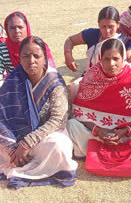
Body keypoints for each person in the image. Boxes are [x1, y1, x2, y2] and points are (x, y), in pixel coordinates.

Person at [0, 36, 78, 189]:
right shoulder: (13, 81)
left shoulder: (54, 81)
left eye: (37, 56)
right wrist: (12, 147)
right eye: (26, 56)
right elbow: (2, 117)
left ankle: (31, 162)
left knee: (60, 145)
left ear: (45, 58)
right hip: (14, 139)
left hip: (44, 138)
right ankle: (18, 159)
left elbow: (58, 120)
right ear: (20, 59)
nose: (31, 60)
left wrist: (27, 143)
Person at [67, 38, 131, 158]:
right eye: (106, 59)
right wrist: (98, 131)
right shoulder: (92, 75)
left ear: (123, 58)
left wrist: (126, 130)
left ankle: (98, 150)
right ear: (100, 58)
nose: (111, 64)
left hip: (127, 134)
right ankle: (118, 150)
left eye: (116, 59)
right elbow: (79, 113)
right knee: (72, 125)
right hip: (97, 133)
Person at [64, 6, 131, 71]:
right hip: (92, 79)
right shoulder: (91, 34)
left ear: (118, 24)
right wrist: (68, 55)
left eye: (111, 27)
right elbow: (70, 40)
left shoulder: (124, 41)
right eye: (103, 26)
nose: (107, 31)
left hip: (116, 80)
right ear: (98, 24)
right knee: (75, 86)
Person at [0, 12, 56, 86]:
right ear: (7, 30)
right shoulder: (2, 49)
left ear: (27, 27)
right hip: (16, 86)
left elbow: (50, 70)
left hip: (42, 84)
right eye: (12, 28)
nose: (17, 31)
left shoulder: (38, 46)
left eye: (20, 27)